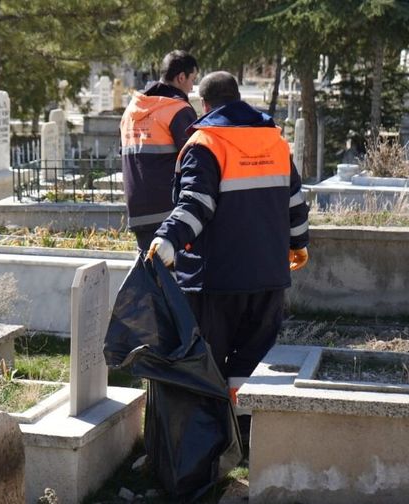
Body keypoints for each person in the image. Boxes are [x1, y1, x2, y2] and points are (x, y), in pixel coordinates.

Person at [147, 71, 310, 449]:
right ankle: (247, 440)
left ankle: (211, 443)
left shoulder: (206, 143)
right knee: (250, 362)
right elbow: (294, 202)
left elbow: (195, 205)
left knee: (210, 364)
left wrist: (167, 242)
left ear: (204, 105)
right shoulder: (274, 140)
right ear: (237, 98)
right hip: (269, 276)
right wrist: (299, 242)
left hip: (215, 280)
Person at [120, 50, 199, 251]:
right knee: (174, 278)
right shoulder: (178, 110)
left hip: (137, 212)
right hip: (170, 214)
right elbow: (197, 161)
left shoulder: (131, 110)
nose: (192, 86)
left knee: (150, 275)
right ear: (181, 77)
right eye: (192, 79)